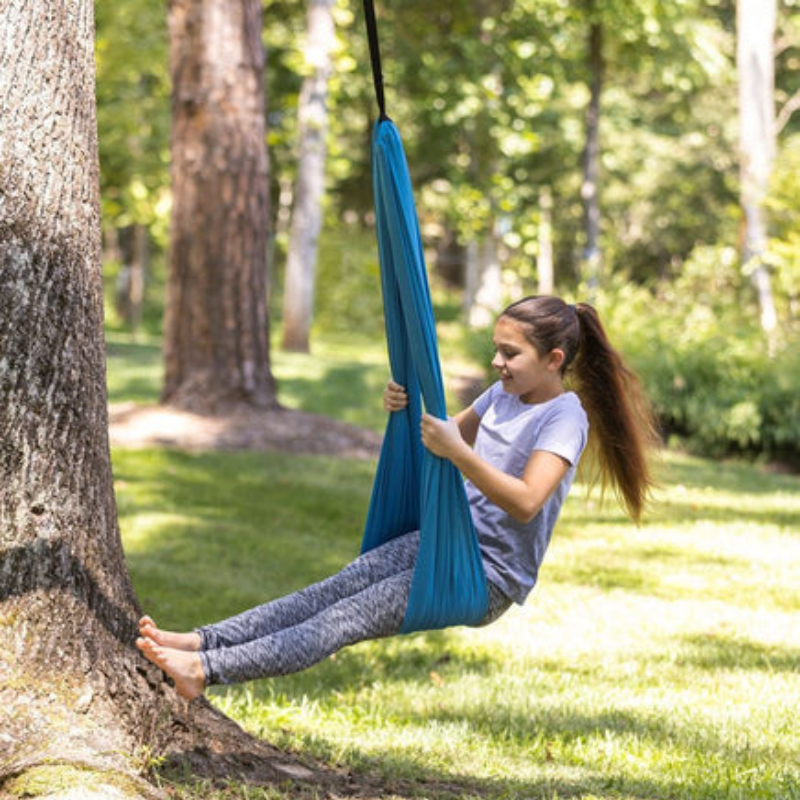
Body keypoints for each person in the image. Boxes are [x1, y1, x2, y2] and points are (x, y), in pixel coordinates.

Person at [137, 295, 658, 699]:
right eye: (496, 348)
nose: (496, 362)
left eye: (510, 353)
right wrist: (402, 410)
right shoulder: (503, 393)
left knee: (341, 620)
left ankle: (204, 672)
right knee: (330, 592)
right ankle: (202, 642)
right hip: (447, 539)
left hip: (485, 575)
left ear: (554, 359)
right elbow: (442, 434)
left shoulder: (564, 417)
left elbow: (526, 501)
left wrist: (457, 452)